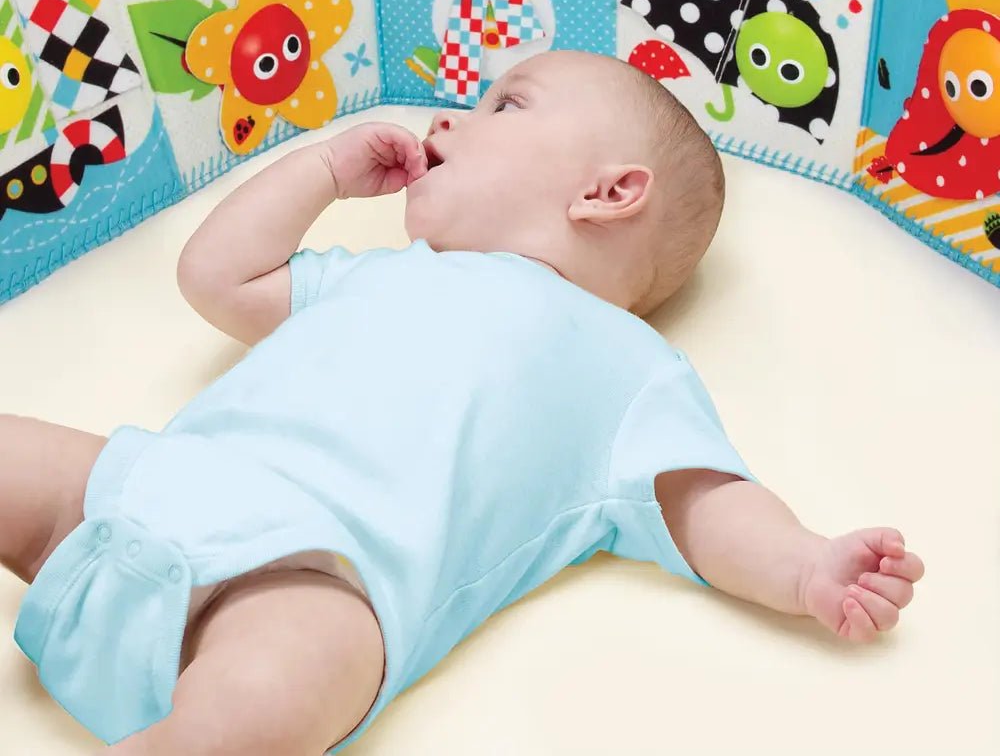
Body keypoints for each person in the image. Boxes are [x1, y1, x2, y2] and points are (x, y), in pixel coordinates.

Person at [1, 50, 923, 755]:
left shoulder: (625, 365)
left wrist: (806, 565)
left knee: (268, 696)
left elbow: (706, 500)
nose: (449, 115)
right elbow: (216, 277)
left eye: (506, 104)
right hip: (156, 484)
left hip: (318, 577)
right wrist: (323, 171)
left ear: (608, 193)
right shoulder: (376, 276)